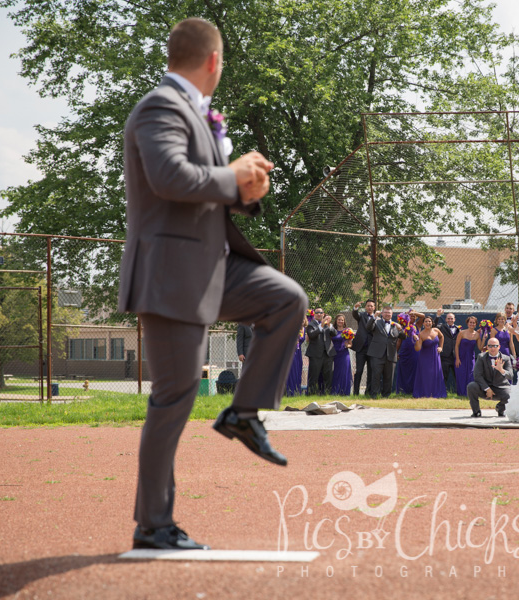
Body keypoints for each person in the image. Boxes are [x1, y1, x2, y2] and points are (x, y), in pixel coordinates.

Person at [119, 18, 307, 551]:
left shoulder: (195, 114)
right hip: (172, 278)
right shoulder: (161, 106)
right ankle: (153, 525)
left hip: (212, 268)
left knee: (287, 298)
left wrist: (246, 189)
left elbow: (202, 191)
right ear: (213, 62)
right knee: (173, 397)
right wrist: (233, 172)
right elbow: (170, 178)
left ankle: (242, 413)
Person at [467, 337, 514, 418]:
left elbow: (510, 376)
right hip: (484, 388)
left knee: (511, 394)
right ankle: (476, 412)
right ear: (487, 347)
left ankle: (500, 408)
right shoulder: (481, 357)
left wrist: (502, 370)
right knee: (471, 386)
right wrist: (487, 388)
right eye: (490, 346)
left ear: (499, 347)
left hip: (501, 387)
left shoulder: (506, 358)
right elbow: (477, 375)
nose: (493, 348)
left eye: (495, 346)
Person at [366, 306, 407, 397]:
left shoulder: (395, 325)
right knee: (376, 376)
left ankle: (386, 396)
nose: (387, 314)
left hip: (391, 355)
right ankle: (374, 395)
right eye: (385, 312)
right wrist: (373, 317)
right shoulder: (376, 321)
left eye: (389, 313)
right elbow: (368, 327)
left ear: (392, 314)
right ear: (382, 313)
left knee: (389, 377)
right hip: (377, 354)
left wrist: (401, 329)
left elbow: (404, 337)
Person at [412, 316, 446, 398]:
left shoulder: (436, 330)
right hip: (425, 358)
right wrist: (416, 340)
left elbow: (441, 337)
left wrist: (441, 347)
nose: (428, 323)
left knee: (436, 374)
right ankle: (425, 393)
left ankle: (436, 393)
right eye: (426, 321)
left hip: (436, 356)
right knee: (426, 375)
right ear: (423, 323)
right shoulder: (421, 334)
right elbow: (418, 349)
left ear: (432, 323)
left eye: (429, 321)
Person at [305, 308, 336, 395]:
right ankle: (311, 394)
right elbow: (311, 335)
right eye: (317, 313)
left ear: (323, 314)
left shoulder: (327, 324)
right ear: (314, 314)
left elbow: (334, 333)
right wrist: (321, 326)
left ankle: (327, 394)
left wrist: (329, 325)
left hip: (328, 353)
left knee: (328, 376)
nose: (319, 314)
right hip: (315, 354)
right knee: (313, 376)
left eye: (321, 313)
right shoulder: (311, 324)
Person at [394, 310, 424, 395]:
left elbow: (423, 316)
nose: (412, 317)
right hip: (404, 353)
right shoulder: (402, 327)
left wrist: (414, 313)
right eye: (410, 316)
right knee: (404, 371)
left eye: (414, 316)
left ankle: (414, 390)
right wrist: (396, 352)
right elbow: (399, 341)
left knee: (415, 371)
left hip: (415, 352)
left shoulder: (417, 325)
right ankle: (403, 391)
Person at [351, 299, 376, 395]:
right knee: (359, 370)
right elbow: (355, 315)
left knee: (371, 371)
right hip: (361, 348)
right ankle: (355, 392)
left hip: (372, 349)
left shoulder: (377, 318)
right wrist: (356, 308)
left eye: (371, 306)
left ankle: (368, 392)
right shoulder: (361, 316)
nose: (369, 307)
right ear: (365, 307)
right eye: (368, 306)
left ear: (374, 308)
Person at [455, 316, 482, 397]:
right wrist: (457, 358)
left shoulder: (477, 334)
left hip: (471, 358)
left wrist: (484, 338)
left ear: (476, 324)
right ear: (467, 323)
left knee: (471, 375)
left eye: (473, 323)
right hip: (461, 357)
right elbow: (456, 346)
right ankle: (461, 394)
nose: (472, 324)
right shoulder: (462, 333)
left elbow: (480, 348)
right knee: (461, 375)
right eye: (470, 322)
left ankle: (470, 394)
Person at [434, 308, 459, 394]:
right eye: (448, 318)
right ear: (445, 319)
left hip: (455, 356)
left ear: (454, 319)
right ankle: (442, 393)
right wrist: (438, 316)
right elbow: (433, 326)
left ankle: (459, 393)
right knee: (443, 376)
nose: (450, 320)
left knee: (458, 376)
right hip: (445, 356)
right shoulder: (441, 327)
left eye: (451, 318)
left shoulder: (458, 329)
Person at [331, 314, 353, 396]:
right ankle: (334, 391)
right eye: (339, 319)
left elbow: (351, 344)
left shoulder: (347, 331)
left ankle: (344, 392)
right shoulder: (332, 330)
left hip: (344, 354)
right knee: (335, 373)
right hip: (333, 354)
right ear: (336, 321)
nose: (340, 321)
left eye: (342, 320)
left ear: (344, 322)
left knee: (344, 373)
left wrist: (348, 345)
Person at [285, 319, 305, 396]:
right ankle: (290, 391)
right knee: (292, 370)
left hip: (298, 352)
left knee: (298, 370)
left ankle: (297, 391)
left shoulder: (303, 329)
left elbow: (303, 340)